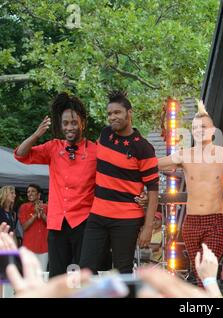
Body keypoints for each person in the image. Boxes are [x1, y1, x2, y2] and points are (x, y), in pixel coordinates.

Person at [158, 100, 223, 286]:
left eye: (203, 126)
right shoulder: (184, 154)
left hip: (215, 222)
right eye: (195, 127)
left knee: (208, 275)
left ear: (213, 131)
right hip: (191, 222)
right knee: (198, 276)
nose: (199, 130)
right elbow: (151, 164)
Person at [14, 92, 97, 277]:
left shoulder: (94, 150)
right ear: (60, 124)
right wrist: (37, 134)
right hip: (57, 223)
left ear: (82, 122)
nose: (69, 127)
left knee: (84, 276)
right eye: (65, 123)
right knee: (57, 275)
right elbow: (20, 154)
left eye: (74, 123)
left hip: (83, 222)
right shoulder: (53, 147)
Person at [79, 91, 159, 274]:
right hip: (98, 215)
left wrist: (147, 228)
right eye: (109, 114)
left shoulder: (143, 147)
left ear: (129, 113)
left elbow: (153, 189)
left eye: (117, 112)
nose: (112, 117)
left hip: (127, 218)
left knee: (123, 270)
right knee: (85, 269)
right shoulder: (105, 134)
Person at [18, 184, 49, 271]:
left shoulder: (46, 207)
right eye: (28, 192)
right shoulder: (24, 207)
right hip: (29, 248)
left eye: (33, 191)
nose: (30, 194)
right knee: (28, 275)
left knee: (42, 274)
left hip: (44, 248)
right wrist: (35, 215)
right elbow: (24, 227)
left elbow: (51, 224)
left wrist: (42, 214)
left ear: (38, 195)